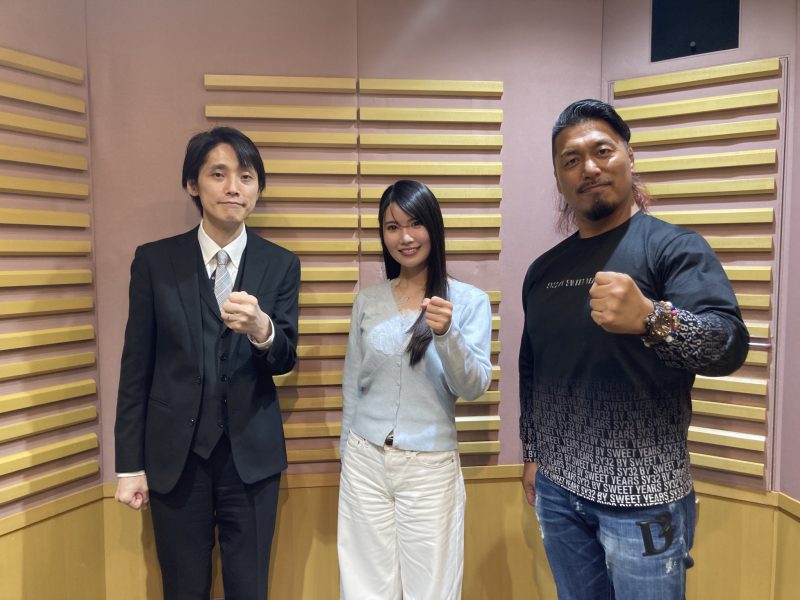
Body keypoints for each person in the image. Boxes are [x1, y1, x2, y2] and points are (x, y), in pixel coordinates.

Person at [518, 99, 749, 599]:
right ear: (558, 177)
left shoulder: (673, 248)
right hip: (557, 491)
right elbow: (532, 369)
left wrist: (652, 318)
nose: (589, 168)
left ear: (629, 155)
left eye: (602, 151)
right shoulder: (543, 270)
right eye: (571, 160)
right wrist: (534, 454)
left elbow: (729, 346)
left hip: (646, 496)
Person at [113, 126, 300, 600]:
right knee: (183, 589)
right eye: (218, 174)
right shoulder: (155, 261)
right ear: (192, 184)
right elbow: (135, 368)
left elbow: (284, 360)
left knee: (249, 588)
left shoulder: (281, 264)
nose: (233, 187)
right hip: (176, 460)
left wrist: (262, 329)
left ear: (257, 189)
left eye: (246, 177)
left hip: (251, 460)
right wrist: (129, 466)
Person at [337, 180, 493, 599]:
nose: (405, 237)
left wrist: (448, 334)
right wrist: (347, 453)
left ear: (433, 228)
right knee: (364, 586)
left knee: (432, 587)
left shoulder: (468, 301)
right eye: (392, 227)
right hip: (365, 459)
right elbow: (353, 384)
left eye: (415, 224)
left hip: (429, 465)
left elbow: (474, 387)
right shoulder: (368, 301)